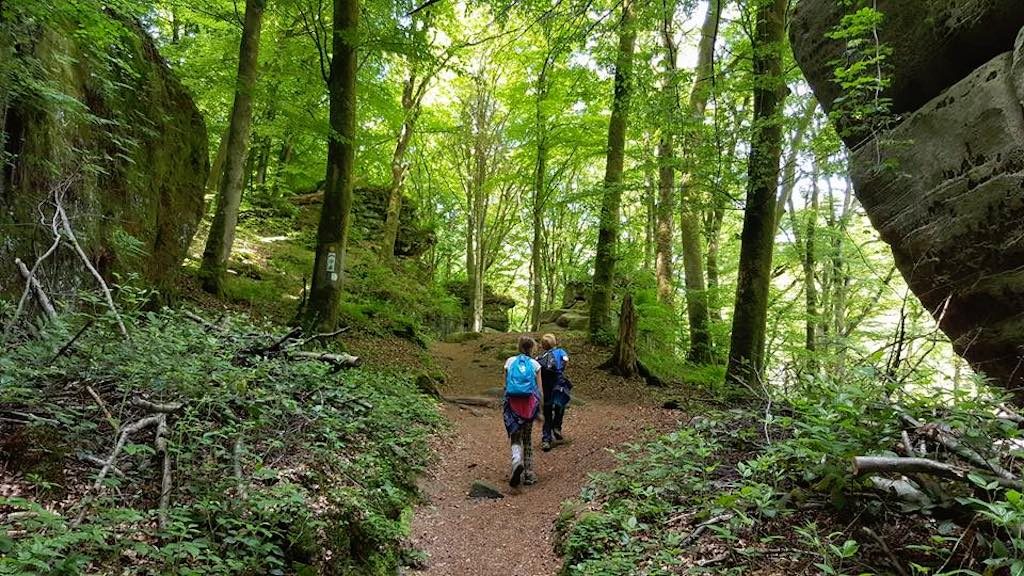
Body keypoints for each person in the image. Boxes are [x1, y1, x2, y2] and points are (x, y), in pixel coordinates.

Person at [502, 336, 542, 487]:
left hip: (512, 404)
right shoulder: (535, 364)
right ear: (532, 348)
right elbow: (539, 389)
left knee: (515, 435)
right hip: (529, 406)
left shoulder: (510, 362)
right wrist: (540, 409)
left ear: (519, 347)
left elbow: (505, 385)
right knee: (528, 438)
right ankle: (529, 474)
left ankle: (516, 461)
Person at [537, 333, 570, 451]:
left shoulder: (542, 356)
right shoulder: (561, 352)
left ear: (543, 345)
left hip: (545, 387)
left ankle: (546, 439)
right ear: (555, 342)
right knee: (560, 405)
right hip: (558, 384)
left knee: (547, 411)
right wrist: (562, 369)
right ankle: (557, 427)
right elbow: (566, 360)